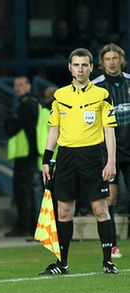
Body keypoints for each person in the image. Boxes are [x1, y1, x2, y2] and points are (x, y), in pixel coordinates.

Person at [39, 48, 118, 275]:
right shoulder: (60, 96)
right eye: (76, 65)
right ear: (70, 67)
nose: (80, 69)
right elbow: (54, 129)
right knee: (64, 211)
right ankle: (62, 264)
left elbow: (109, 130)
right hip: (66, 157)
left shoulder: (101, 95)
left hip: (92, 156)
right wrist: (47, 159)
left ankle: (108, 261)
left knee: (100, 208)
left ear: (92, 68)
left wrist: (110, 161)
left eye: (85, 65)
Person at [92, 43, 130, 259]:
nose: (112, 62)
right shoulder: (97, 88)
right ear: (102, 62)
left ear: (121, 60)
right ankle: (113, 246)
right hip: (109, 153)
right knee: (111, 199)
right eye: (108, 59)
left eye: (115, 58)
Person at [3, 75, 47, 237]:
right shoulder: (36, 104)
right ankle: (31, 225)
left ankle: (24, 226)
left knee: (22, 191)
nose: (18, 88)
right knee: (27, 191)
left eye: (21, 84)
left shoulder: (25, 105)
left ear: (29, 86)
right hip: (33, 152)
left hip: (26, 153)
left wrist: (9, 121)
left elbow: (12, 127)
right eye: (16, 85)